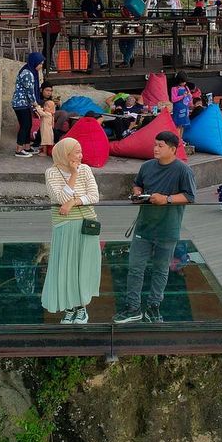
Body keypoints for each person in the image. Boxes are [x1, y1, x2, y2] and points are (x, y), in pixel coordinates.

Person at [116, 132, 196, 324]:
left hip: (168, 228)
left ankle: (154, 307)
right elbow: (138, 184)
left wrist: (166, 199)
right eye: (155, 145)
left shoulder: (183, 170)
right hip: (144, 227)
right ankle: (133, 308)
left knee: (161, 269)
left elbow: (190, 196)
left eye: (160, 145)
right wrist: (137, 193)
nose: (156, 149)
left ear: (172, 149)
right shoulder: (147, 166)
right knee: (135, 268)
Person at [41, 137, 101, 324]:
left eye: (80, 151)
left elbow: (94, 196)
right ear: (65, 155)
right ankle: (68, 306)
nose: (80, 156)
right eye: (76, 152)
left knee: (83, 265)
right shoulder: (52, 172)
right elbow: (59, 197)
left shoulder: (86, 169)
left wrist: (74, 201)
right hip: (64, 224)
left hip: (86, 223)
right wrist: (73, 175)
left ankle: (81, 307)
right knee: (65, 265)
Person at [11, 52, 44, 157]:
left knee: (28, 124)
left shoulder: (31, 71)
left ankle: (27, 147)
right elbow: (30, 91)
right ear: (35, 62)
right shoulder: (27, 73)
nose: (41, 66)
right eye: (40, 63)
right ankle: (19, 149)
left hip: (25, 104)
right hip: (20, 103)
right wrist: (36, 105)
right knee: (25, 125)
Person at [37, 0, 64, 72]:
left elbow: (39, 11)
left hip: (43, 24)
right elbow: (60, 14)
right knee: (49, 46)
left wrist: (39, 22)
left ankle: (46, 64)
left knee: (46, 45)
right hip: (53, 26)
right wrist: (63, 25)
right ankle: (46, 65)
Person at [79, 0, 108, 71]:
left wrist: (103, 21)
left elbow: (102, 13)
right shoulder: (86, 2)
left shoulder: (99, 2)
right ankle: (88, 63)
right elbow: (84, 14)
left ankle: (102, 63)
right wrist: (89, 22)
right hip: (89, 27)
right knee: (89, 46)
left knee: (100, 45)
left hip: (98, 26)